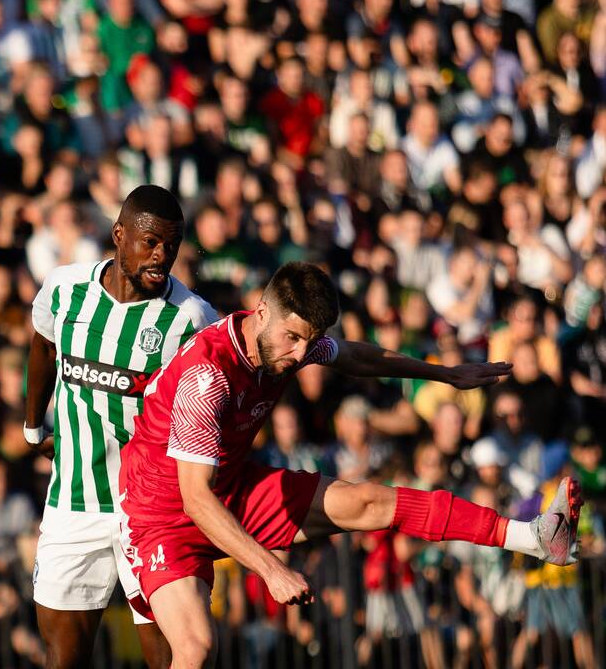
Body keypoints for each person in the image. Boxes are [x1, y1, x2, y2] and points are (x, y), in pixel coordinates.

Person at [118, 262, 584, 668]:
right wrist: (273, 570)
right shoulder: (209, 376)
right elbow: (196, 499)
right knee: (197, 650)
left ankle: (534, 537)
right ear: (262, 311)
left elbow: (355, 355)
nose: (301, 354)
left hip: (231, 489)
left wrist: (442, 373)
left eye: (309, 341)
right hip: (163, 515)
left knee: (369, 500)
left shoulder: (283, 343)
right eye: (293, 338)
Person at [24, 184, 217, 669]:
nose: (161, 256)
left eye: (171, 246)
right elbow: (43, 346)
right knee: (63, 658)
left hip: (154, 512)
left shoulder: (191, 319)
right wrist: (33, 428)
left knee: (172, 658)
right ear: (118, 234)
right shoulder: (65, 289)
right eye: (150, 242)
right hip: (75, 502)